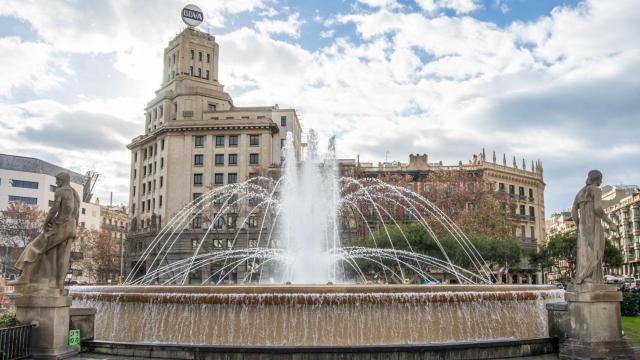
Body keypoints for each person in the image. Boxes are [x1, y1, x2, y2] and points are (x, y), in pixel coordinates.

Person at [10, 172, 80, 292]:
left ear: (62, 180)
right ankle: (59, 286)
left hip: (61, 225)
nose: (56, 182)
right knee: (62, 256)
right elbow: (77, 213)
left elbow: (54, 209)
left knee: (33, 247)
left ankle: (25, 277)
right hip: (71, 227)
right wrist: (74, 230)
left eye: (57, 180)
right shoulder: (75, 193)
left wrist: (46, 222)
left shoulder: (60, 191)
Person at [571, 170, 618, 285]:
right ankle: (592, 278)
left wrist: (579, 224)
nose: (601, 181)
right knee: (596, 248)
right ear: (597, 179)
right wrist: (610, 223)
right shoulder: (596, 190)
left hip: (583, 224)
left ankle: (585, 276)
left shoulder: (580, 192)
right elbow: (597, 208)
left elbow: (573, 211)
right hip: (593, 222)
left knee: (585, 250)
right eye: (601, 179)